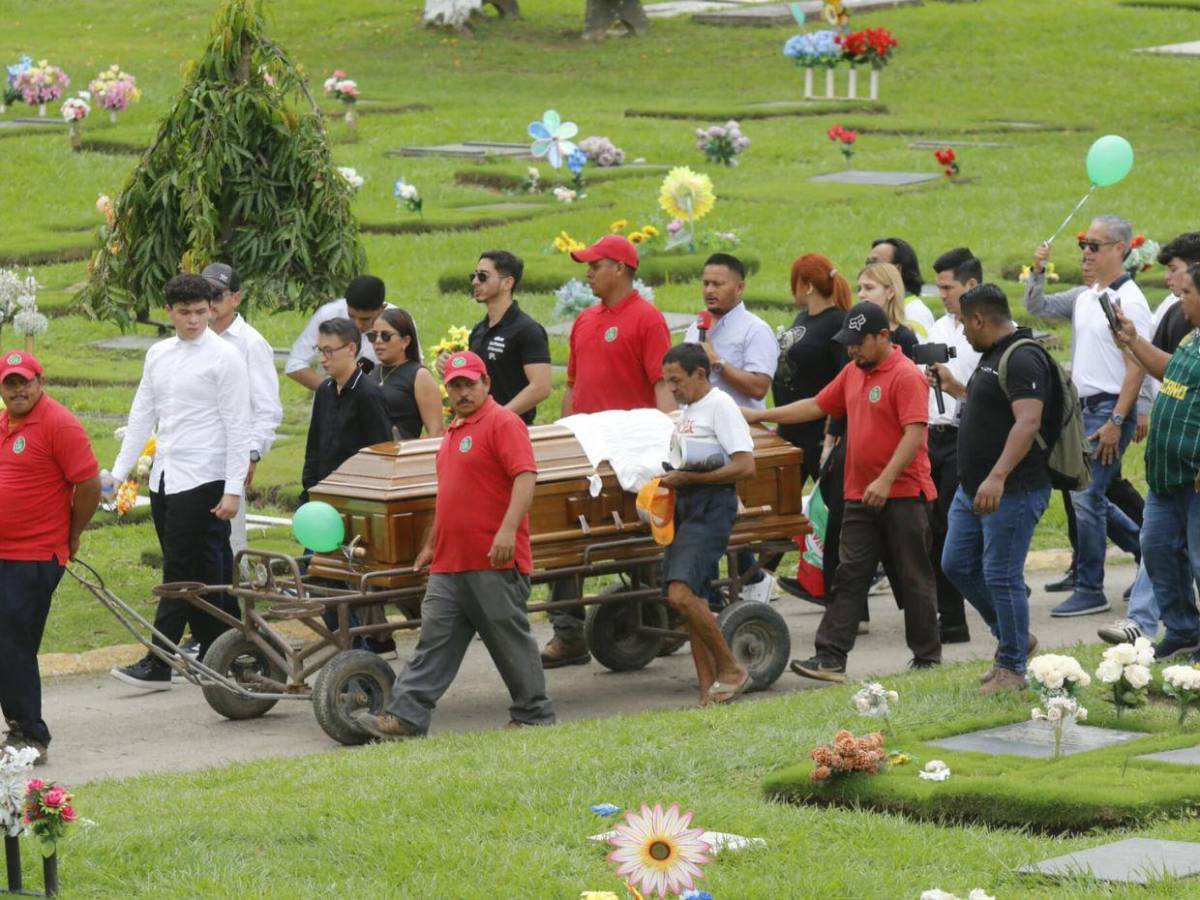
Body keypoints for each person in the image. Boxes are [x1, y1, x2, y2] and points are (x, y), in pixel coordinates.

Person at [355, 351, 555, 738]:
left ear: (486, 384)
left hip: (492, 558)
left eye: (469, 384)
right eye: (455, 386)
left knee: (508, 640)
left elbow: (526, 477)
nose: (462, 392)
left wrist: (507, 532)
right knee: (433, 642)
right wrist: (431, 543)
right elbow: (447, 495)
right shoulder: (452, 433)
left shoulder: (503, 423)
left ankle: (534, 715)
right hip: (449, 561)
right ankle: (406, 718)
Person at [746, 301, 941, 682]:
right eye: (848, 343)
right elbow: (816, 406)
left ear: (883, 336)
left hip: (903, 495)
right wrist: (760, 415)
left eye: (859, 343)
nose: (851, 349)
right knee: (849, 575)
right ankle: (831, 656)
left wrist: (885, 480)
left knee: (913, 575)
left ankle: (927, 658)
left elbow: (915, 434)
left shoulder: (905, 376)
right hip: (858, 494)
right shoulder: (854, 372)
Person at [108, 274, 252, 690]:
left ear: (211, 308)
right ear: (169, 311)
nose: (193, 321)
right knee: (202, 570)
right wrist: (118, 473)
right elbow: (142, 415)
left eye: (201, 312)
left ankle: (159, 660)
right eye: (185, 312)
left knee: (179, 570)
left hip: (205, 478)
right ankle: (221, 651)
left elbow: (238, 426)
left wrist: (232, 489)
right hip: (166, 476)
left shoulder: (225, 357)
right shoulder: (159, 354)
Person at [540, 234, 675, 668]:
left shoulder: (647, 320)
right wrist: (561, 435)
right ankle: (569, 633)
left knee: (639, 544)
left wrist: (668, 442)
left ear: (620, 268)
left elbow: (662, 386)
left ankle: (667, 616)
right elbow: (573, 387)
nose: (587, 272)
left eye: (595, 265)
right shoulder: (585, 320)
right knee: (562, 540)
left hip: (629, 454)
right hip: (585, 449)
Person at [1025, 215, 1153, 617]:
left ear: (1120, 249)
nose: (1086, 253)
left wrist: (1119, 419)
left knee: (1086, 496)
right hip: (1081, 411)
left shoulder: (1126, 301)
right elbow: (1038, 306)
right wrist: (1039, 271)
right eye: (1083, 244)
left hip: (1108, 409)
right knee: (1087, 494)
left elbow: (1137, 365)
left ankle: (1090, 587)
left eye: (1094, 246)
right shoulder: (1087, 295)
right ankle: (1151, 553)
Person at [932, 285, 1056, 693]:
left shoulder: (1022, 357)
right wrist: (954, 388)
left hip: (1012, 490)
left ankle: (1012, 667)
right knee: (956, 564)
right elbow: (990, 407)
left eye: (965, 324)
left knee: (1001, 574)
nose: (963, 333)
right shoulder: (994, 353)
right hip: (975, 488)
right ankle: (1014, 637)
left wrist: (998, 476)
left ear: (980, 319)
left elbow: (1027, 422)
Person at [1096, 231, 1200, 645]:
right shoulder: (1193, 338)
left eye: (1187, 291)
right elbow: (1172, 370)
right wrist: (1133, 341)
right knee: (1157, 554)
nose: (1180, 298)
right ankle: (1182, 632)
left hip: (1194, 479)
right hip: (1166, 477)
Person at [1, 351, 100, 764]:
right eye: (10, 383)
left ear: (40, 381)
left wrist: (71, 534)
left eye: (25, 381)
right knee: (8, 642)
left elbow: (90, 484)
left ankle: (30, 736)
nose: (18, 389)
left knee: (12, 641)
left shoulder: (59, 423)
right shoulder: (6, 424)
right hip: (5, 552)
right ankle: (21, 728)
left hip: (36, 553)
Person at [659, 343, 755, 704]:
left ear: (700, 374)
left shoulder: (721, 407)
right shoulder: (686, 410)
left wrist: (692, 480)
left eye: (677, 380)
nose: (672, 388)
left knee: (680, 593)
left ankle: (732, 669)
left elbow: (746, 465)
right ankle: (708, 693)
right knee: (691, 600)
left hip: (711, 508)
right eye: (668, 381)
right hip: (686, 506)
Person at [682, 253, 778, 604]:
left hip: (739, 440)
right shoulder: (698, 328)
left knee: (725, 516)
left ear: (739, 287)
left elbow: (758, 387)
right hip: (699, 438)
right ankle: (712, 590)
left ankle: (750, 580)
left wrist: (717, 362)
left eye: (718, 284)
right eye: (706, 283)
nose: (709, 290)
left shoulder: (756, 330)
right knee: (703, 514)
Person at [770, 254, 852, 604]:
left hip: (820, 434)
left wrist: (833, 436)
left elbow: (843, 384)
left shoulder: (838, 323)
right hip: (791, 432)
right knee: (779, 510)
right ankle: (758, 576)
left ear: (804, 284)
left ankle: (847, 595)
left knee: (831, 515)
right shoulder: (804, 317)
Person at [203, 263, 283, 573]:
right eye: (204, 294)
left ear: (235, 298)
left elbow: (267, 409)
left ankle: (235, 595)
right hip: (198, 450)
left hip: (232, 452)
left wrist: (252, 453)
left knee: (230, 535)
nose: (209, 302)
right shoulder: (196, 336)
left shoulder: (251, 343)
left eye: (216, 295)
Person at [924, 248, 984, 643]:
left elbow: (989, 399)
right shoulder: (938, 329)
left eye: (948, 287)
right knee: (932, 528)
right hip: (933, 436)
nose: (943, 294)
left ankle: (968, 611)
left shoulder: (989, 331)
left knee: (955, 531)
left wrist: (954, 388)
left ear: (971, 286)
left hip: (969, 439)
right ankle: (949, 617)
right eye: (940, 287)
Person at [301, 317, 394, 498]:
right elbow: (313, 447)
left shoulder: (368, 394)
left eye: (328, 351)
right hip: (322, 492)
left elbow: (381, 451)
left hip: (356, 495)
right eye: (320, 351)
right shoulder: (324, 390)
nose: (322, 359)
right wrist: (309, 489)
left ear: (351, 349)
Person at [466, 250, 552, 425]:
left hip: (513, 428)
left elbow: (541, 387)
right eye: (473, 276)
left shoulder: (528, 330)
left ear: (507, 283)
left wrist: (498, 417)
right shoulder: (478, 331)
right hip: (480, 429)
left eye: (483, 276)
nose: (475, 282)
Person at [284, 275, 395, 391]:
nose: (357, 325)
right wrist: (333, 394)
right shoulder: (327, 315)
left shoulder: (398, 323)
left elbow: (411, 371)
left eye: (365, 319)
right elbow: (295, 364)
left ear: (382, 309)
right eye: (351, 316)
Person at [368, 307, 443, 440]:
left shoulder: (419, 375)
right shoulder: (371, 373)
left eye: (386, 336)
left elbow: (435, 432)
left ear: (405, 341)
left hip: (401, 456)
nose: (378, 341)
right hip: (369, 455)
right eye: (373, 336)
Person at [867, 237, 935, 336]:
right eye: (868, 263)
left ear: (897, 269)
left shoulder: (914, 313)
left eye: (875, 263)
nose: (868, 269)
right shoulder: (883, 308)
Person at [857, 263, 921, 360]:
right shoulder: (855, 331)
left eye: (869, 288)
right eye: (859, 289)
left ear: (890, 292)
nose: (861, 294)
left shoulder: (904, 337)